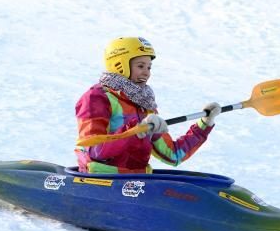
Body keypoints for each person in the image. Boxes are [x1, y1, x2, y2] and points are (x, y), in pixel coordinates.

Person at [75, 36, 220, 174]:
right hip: (102, 180)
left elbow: (173, 154)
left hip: (136, 183)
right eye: (140, 66)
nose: (147, 73)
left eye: (149, 67)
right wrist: (136, 130)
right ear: (120, 65)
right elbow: (93, 149)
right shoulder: (97, 98)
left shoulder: (145, 104)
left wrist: (205, 124)